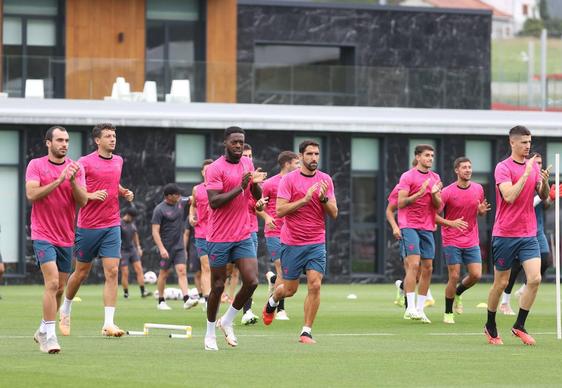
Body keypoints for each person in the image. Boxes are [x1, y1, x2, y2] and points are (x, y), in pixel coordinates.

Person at [60, 123, 134, 338]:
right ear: (97, 140)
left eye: (114, 136)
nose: (113, 139)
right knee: (81, 272)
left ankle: (108, 323)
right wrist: (91, 195)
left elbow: (113, 183)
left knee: (112, 272)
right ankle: (65, 308)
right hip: (88, 226)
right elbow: (74, 189)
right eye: (108, 136)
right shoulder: (84, 163)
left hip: (112, 224)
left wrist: (123, 192)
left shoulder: (119, 161)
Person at [262, 140, 338, 344]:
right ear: (301, 156)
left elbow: (334, 213)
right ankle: (272, 301)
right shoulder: (288, 180)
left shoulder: (325, 180)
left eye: (317, 154)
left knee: (315, 285)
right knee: (290, 290)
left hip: (316, 242)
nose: (314, 158)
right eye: (310, 154)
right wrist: (305, 199)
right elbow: (279, 211)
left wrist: (322, 199)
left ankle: (306, 331)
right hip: (292, 242)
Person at [484, 126, 549, 346]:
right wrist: (526, 174)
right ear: (512, 143)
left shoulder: (532, 167)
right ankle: (490, 324)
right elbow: (509, 196)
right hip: (505, 234)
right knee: (500, 283)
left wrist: (544, 182)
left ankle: (519, 325)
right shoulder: (503, 168)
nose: (528, 146)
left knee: (536, 278)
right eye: (523, 142)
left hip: (528, 233)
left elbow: (544, 197)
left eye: (529, 142)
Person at [204, 126, 266, 351]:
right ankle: (210, 332)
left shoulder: (247, 164)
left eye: (241, 142)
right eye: (234, 142)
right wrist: (241, 186)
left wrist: (256, 185)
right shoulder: (214, 169)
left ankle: (227, 320)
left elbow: (256, 193)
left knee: (252, 281)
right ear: (225, 143)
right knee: (218, 287)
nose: (238, 146)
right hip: (219, 236)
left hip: (242, 234)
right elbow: (214, 202)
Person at [26, 126, 87, 353]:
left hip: (65, 236)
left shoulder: (76, 169)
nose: (64, 144)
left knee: (60, 288)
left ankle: (42, 328)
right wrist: (58, 179)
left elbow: (83, 202)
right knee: (51, 283)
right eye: (60, 140)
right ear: (48, 143)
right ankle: (50, 337)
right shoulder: (36, 165)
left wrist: (70, 181)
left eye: (67, 140)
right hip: (42, 234)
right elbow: (32, 195)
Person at [436, 157, 490, 324]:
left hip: (471, 239)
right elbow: (433, 216)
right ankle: (447, 312)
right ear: (457, 171)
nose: (468, 170)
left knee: (475, 275)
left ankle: (458, 292)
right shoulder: (447, 192)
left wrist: (481, 212)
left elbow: (480, 211)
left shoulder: (478, 189)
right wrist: (451, 223)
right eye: (464, 167)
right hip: (451, 238)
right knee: (454, 275)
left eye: (469, 167)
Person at [499, 152, 551, 316]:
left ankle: (524, 288)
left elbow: (546, 201)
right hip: (517, 229)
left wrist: (548, 190)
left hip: (537, 229)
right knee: (513, 268)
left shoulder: (538, 177)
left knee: (546, 259)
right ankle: (505, 302)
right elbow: (515, 198)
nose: (539, 165)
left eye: (541, 162)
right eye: (537, 162)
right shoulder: (522, 174)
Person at [396, 144, 442, 323]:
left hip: (427, 226)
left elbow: (438, 206)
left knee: (428, 267)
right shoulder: (407, 176)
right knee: (413, 265)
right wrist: (419, 194)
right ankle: (410, 307)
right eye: (427, 155)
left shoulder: (435, 177)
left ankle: (421, 309)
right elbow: (400, 203)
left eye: (432, 155)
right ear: (417, 157)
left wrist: (435, 194)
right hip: (409, 225)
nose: (430, 158)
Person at [260, 150, 300, 321]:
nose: (299, 166)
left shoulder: (297, 182)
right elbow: (258, 205)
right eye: (297, 163)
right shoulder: (269, 184)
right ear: (287, 164)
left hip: (291, 233)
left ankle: (273, 286)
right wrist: (267, 217)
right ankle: (280, 309)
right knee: (282, 268)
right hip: (274, 232)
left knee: (289, 271)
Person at [152, 183, 199, 310]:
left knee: (182, 271)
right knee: (164, 274)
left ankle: (186, 299)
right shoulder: (159, 210)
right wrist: (161, 248)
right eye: (176, 194)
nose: (179, 196)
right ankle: (161, 301)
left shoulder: (180, 202)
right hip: (165, 248)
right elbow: (155, 231)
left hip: (179, 247)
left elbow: (193, 198)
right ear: (168, 196)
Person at [119, 207, 152, 299]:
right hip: (123, 251)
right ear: (128, 215)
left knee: (139, 269)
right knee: (125, 272)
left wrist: (138, 247)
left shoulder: (132, 224)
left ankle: (143, 292)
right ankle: (126, 293)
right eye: (132, 217)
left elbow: (135, 235)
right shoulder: (120, 224)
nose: (132, 219)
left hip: (132, 250)